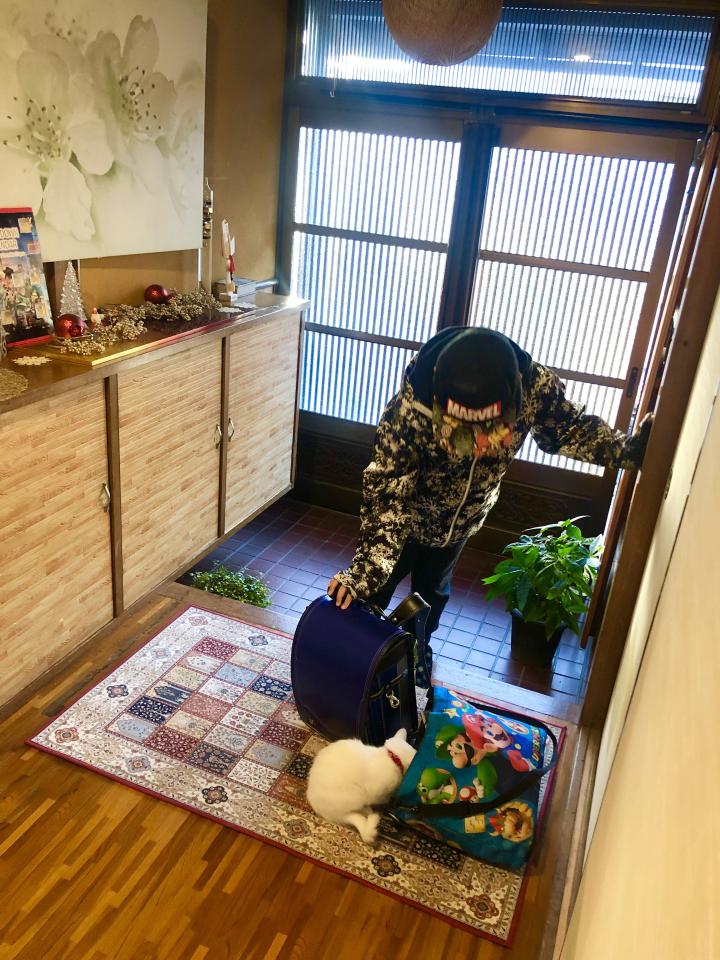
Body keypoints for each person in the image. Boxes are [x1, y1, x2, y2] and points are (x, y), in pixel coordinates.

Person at [327, 326, 652, 639]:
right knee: (371, 595)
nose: (477, 448)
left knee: (430, 601)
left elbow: (568, 430)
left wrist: (626, 451)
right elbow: (388, 493)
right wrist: (364, 572)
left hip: (461, 523)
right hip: (406, 522)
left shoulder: (535, 387)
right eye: (460, 436)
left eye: (490, 435)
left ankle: (415, 652)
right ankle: (355, 654)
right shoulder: (410, 410)